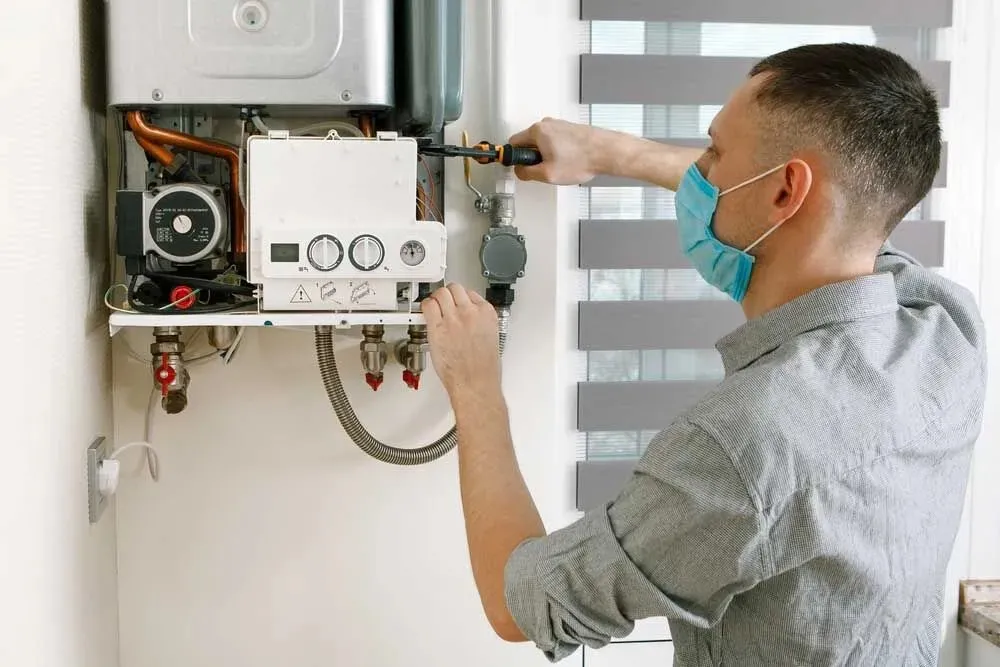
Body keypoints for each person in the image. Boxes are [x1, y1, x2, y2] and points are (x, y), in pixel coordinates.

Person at [420, 43, 988, 666]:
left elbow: (519, 602)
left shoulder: (745, 443)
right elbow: (835, 206)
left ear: (783, 192)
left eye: (714, 153)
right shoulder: (945, 328)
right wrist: (611, 153)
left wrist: (475, 386)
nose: (700, 175)